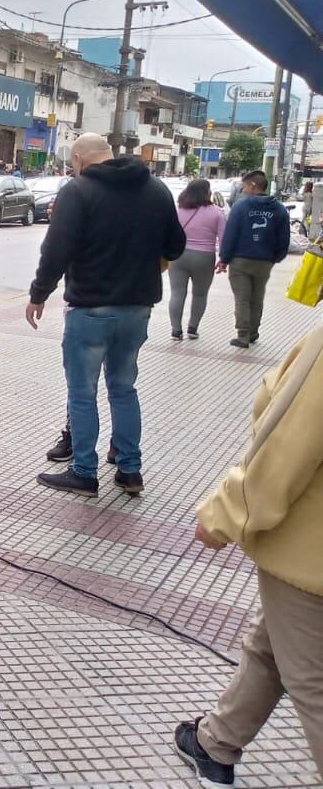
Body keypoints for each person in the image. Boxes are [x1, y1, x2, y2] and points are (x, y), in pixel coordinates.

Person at [173, 325, 323, 788]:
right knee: (273, 644)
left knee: (312, 681)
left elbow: (285, 447)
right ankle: (215, 742)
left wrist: (225, 513)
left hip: (311, 551)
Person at [27, 134, 185, 497]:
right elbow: (175, 245)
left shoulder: (78, 191)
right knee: (124, 387)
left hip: (90, 309)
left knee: (82, 393)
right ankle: (130, 470)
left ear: (80, 158)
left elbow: (56, 249)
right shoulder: (157, 189)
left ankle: (84, 471)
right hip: (137, 309)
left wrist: (39, 294)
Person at [219, 170, 290, 349]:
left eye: (243, 187)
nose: (242, 191)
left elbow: (231, 234)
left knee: (242, 299)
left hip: (240, 260)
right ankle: (253, 331)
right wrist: (276, 258)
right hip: (265, 261)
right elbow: (284, 238)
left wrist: (224, 258)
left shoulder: (241, 207)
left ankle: (242, 335)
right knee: (257, 297)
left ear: (252, 185)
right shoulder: (279, 209)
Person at [167, 178, 226, 341]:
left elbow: (168, 233)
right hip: (204, 257)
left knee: (177, 293)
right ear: (207, 193)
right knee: (200, 294)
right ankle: (192, 329)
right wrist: (223, 259)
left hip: (179, 255)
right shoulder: (217, 212)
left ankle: (176, 331)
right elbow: (223, 238)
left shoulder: (178, 210)